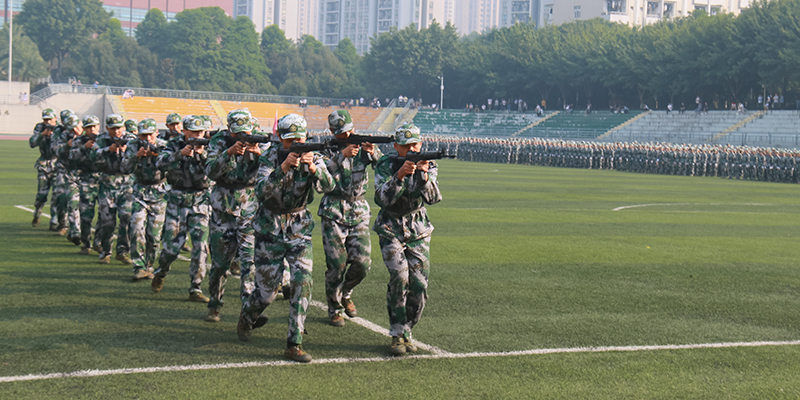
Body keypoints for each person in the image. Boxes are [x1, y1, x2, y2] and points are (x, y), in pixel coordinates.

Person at [238, 113, 334, 363]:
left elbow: (329, 186)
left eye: (299, 140)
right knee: (267, 292)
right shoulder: (269, 157)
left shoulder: (313, 156)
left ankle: (294, 343)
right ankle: (247, 315)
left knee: (302, 282)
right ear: (280, 138)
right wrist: (282, 168)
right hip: (269, 228)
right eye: (290, 140)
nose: (296, 145)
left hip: (299, 228)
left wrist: (313, 169)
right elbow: (261, 192)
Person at [373, 123, 442, 355]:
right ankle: (397, 332)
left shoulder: (429, 164)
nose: (411, 149)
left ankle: (407, 330)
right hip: (390, 226)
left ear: (420, 144)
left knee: (419, 285)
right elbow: (382, 199)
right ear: (396, 146)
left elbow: (433, 198)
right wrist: (399, 176)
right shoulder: (385, 164)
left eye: (415, 145)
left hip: (417, 228)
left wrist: (423, 176)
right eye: (406, 146)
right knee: (399, 276)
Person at [204, 110, 269, 322]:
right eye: (237, 133)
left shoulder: (260, 139)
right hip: (223, 210)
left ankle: (248, 312)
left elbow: (273, 169)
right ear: (229, 129)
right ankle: (215, 303)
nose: (242, 136)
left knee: (249, 263)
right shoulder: (219, 141)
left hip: (249, 209)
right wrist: (228, 153)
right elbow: (210, 171)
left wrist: (260, 154)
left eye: (245, 133)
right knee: (220, 265)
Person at [319, 110, 380, 327]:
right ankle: (334, 308)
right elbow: (321, 175)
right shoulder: (325, 149)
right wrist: (342, 155)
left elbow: (383, 167)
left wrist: (373, 152)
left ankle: (346, 292)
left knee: (363, 263)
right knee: (336, 265)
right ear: (332, 131)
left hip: (358, 209)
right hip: (333, 209)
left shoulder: (361, 145)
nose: (347, 135)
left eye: (349, 131)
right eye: (342, 133)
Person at [151, 116, 213, 302]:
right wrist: (179, 154)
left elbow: (216, 169)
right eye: (193, 132)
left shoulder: (209, 146)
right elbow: (159, 163)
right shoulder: (173, 144)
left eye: (200, 132)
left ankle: (196, 287)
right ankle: (161, 271)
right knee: (172, 248)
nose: (197, 136)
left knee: (200, 247)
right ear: (184, 131)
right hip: (177, 202)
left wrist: (202, 154)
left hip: (200, 201)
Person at [121, 119, 168, 281]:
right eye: (143, 135)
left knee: (154, 236)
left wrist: (158, 156)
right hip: (139, 191)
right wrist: (136, 157)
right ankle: (139, 267)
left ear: (157, 133)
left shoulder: (164, 146)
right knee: (136, 228)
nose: (147, 139)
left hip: (159, 193)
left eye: (150, 135)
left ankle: (149, 265)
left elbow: (172, 166)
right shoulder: (133, 145)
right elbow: (124, 168)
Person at [91, 114, 137, 264]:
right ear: (107, 128)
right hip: (107, 184)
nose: (116, 131)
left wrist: (127, 151)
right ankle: (106, 251)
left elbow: (139, 155)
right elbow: (92, 155)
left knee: (127, 217)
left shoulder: (131, 139)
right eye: (113, 128)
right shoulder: (101, 139)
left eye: (119, 128)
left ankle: (122, 251)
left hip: (127, 184)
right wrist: (107, 150)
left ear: (123, 127)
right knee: (107, 221)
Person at [69, 115, 104, 255]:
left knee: (104, 215)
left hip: (103, 180)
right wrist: (84, 148)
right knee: (86, 215)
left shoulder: (103, 140)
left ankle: (99, 242)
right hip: (86, 179)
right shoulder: (78, 141)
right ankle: (86, 243)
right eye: (88, 127)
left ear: (98, 126)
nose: (92, 129)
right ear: (84, 128)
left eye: (94, 126)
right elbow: (71, 157)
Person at [51, 113, 84, 246]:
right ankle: (63, 224)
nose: (74, 130)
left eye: (76, 127)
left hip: (84, 173)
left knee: (78, 203)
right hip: (65, 170)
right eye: (71, 129)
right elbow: (55, 150)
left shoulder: (89, 135)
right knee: (62, 197)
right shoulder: (64, 135)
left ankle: (77, 231)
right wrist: (66, 146)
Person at [28, 108, 60, 230]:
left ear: (55, 118)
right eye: (45, 120)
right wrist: (42, 135)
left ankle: (54, 220)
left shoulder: (60, 129)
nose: (47, 122)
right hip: (44, 164)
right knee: (42, 195)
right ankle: (38, 212)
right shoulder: (40, 127)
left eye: (50, 119)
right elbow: (32, 143)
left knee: (57, 194)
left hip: (57, 164)